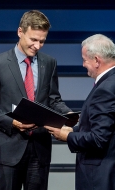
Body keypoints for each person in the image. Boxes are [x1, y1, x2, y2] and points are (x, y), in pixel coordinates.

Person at [0, 10, 74, 190]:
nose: (38, 46)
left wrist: (69, 114)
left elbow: (54, 99)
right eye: (33, 39)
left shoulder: (49, 63)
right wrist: (13, 122)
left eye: (42, 41)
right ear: (20, 32)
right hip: (9, 148)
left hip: (40, 148)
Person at [45, 34, 115, 190]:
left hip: (99, 176)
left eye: (85, 60)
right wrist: (74, 129)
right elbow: (106, 126)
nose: (83, 65)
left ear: (97, 60)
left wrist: (68, 136)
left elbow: (98, 138)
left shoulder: (105, 89)